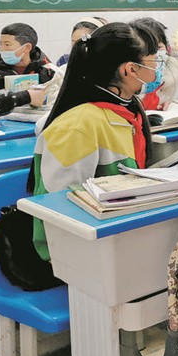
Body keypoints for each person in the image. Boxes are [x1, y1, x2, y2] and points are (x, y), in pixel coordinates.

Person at [30, 22, 161, 261]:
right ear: (131, 70)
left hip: (120, 234)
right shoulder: (78, 125)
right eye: (154, 63)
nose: (157, 71)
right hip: (73, 254)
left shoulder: (127, 111)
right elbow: (64, 210)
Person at [130, 18, 178, 111]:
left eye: (159, 47)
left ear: (167, 47)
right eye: (148, 49)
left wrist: (173, 103)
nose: (155, 55)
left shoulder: (174, 70)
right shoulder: (128, 73)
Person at [0, 23, 54, 87]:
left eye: (7, 44)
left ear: (27, 47)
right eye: (1, 44)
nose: (2, 49)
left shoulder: (49, 71)